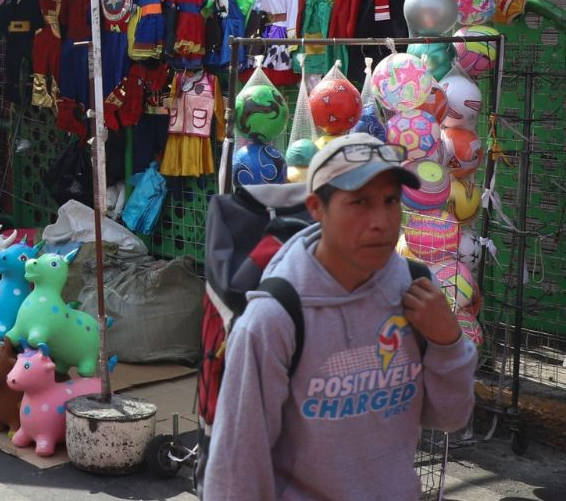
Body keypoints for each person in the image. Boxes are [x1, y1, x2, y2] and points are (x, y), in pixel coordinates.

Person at [204, 133, 477, 500]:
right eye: (360, 202)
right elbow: (236, 469)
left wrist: (448, 342)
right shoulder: (273, 318)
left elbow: (450, 418)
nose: (381, 221)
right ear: (317, 207)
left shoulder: (416, 289)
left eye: (390, 200)